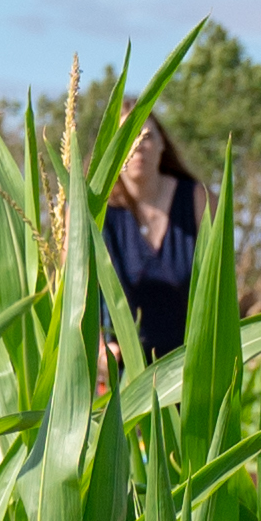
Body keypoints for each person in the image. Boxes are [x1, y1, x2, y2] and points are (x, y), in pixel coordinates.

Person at [103, 116, 198, 361]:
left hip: (189, 362)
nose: (138, 145)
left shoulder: (198, 199)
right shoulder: (94, 211)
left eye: (147, 136)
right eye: (128, 137)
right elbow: (77, 293)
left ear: (162, 144)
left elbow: (222, 282)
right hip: (121, 368)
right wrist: (98, 349)